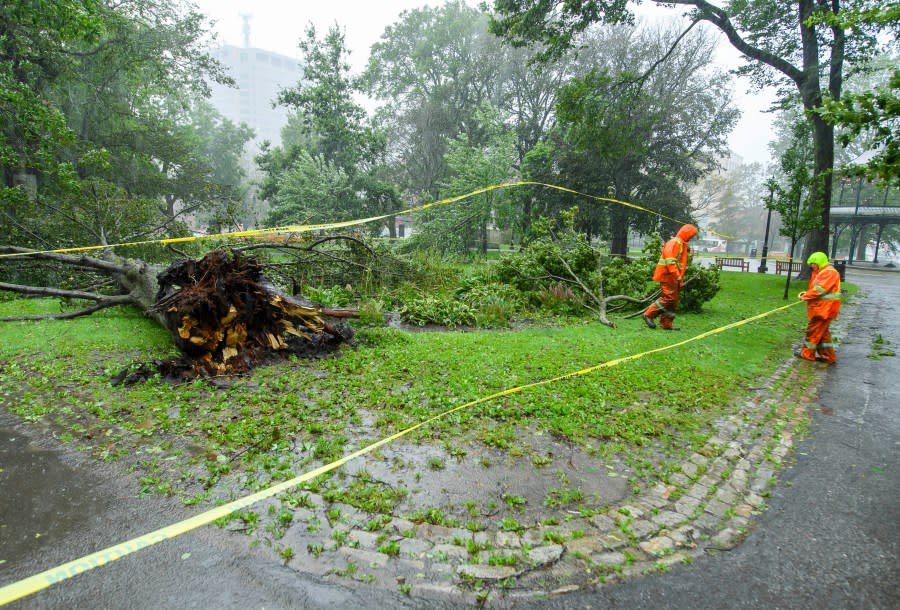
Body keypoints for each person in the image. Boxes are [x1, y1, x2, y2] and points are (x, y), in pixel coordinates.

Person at [642, 224, 698, 331]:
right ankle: (648, 314)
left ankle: (666, 324)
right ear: (686, 233)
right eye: (691, 235)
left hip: (673, 276)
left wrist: (679, 278)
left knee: (673, 301)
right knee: (669, 298)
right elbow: (670, 260)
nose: (691, 238)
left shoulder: (681, 243)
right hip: (668, 275)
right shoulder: (675, 243)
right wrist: (677, 276)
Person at [795, 251, 841, 364]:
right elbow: (817, 289)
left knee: (813, 331)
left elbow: (820, 289)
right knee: (823, 335)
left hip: (824, 309)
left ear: (819, 262)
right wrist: (807, 294)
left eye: (813, 263)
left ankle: (807, 354)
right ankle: (828, 357)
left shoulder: (829, 272)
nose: (811, 266)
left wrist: (806, 296)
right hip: (822, 308)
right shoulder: (822, 272)